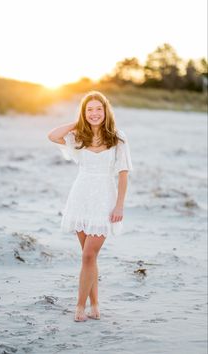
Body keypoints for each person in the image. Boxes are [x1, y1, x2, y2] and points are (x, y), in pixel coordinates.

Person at [48, 91, 133, 322]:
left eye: (98, 109)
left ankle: (79, 307)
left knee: (88, 255)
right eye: (89, 110)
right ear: (84, 114)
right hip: (80, 197)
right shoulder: (78, 136)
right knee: (89, 258)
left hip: (104, 199)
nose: (94, 114)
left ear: (106, 111)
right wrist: (79, 122)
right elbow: (52, 135)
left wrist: (119, 207)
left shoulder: (118, 137)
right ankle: (95, 304)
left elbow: (123, 175)